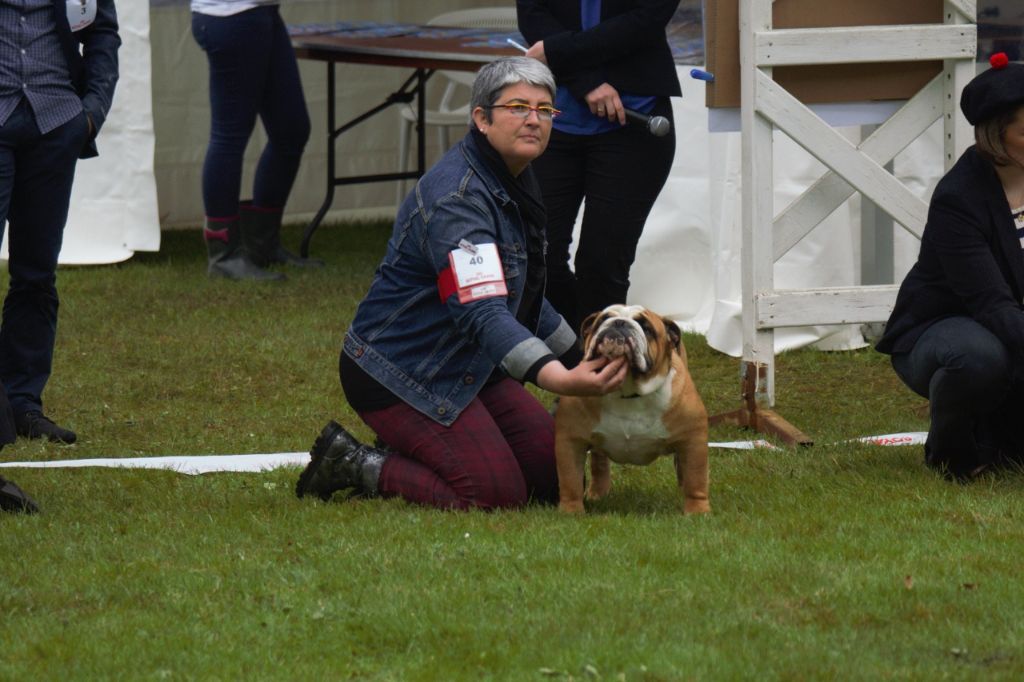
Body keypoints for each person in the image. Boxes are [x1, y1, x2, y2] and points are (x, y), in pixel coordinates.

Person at [295, 57, 628, 510]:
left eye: (545, 110)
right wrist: (559, 378)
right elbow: (483, 310)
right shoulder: (458, 199)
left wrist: (583, 358)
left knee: (553, 474)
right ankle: (355, 461)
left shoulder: (516, 174)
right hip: (400, 369)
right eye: (517, 107)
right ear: (481, 118)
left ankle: (420, 445)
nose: (534, 120)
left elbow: (525, 291)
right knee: (491, 493)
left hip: (472, 363)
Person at [877, 53, 1024, 481]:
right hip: (944, 326)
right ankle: (951, 453)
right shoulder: (958, 198)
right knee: (979, 358)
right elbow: (992, 304)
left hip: (1011, 325)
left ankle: (995, 438)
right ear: (997, 137)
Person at [515, 0, 681, 334]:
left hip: (636, 122)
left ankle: (598, 367)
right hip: (555, 122)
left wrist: (559, 50)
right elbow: (533, 15)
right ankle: (584, 351)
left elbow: (645, 18)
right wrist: (586, 82)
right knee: (535, 254)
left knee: (602, 263)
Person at [0, 0, 121, 445]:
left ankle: (22, 404)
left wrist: (90, 114)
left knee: (36, 275)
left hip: (55, 123)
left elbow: (103, 33)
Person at [191, 0, 319, 280]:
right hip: (232, 15)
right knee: (229, 136)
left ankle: (262, 244)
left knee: (291, 129)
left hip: (261, 12)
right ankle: (223, 255)